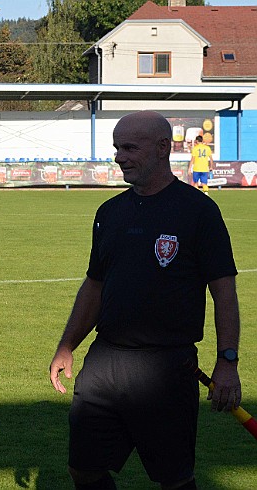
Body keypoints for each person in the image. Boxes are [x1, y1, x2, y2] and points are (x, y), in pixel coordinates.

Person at [49, 111, 241, 490]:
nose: (120, 156)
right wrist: (67, 344)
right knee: (83, 469)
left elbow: (224, 293)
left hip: (167, 367)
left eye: (130, 147)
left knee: (174, 479)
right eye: (117, 147)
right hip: (105, 362)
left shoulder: (198, 212)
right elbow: (94, 285)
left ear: (163, 148)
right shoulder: (109, 212)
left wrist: (227, 361)